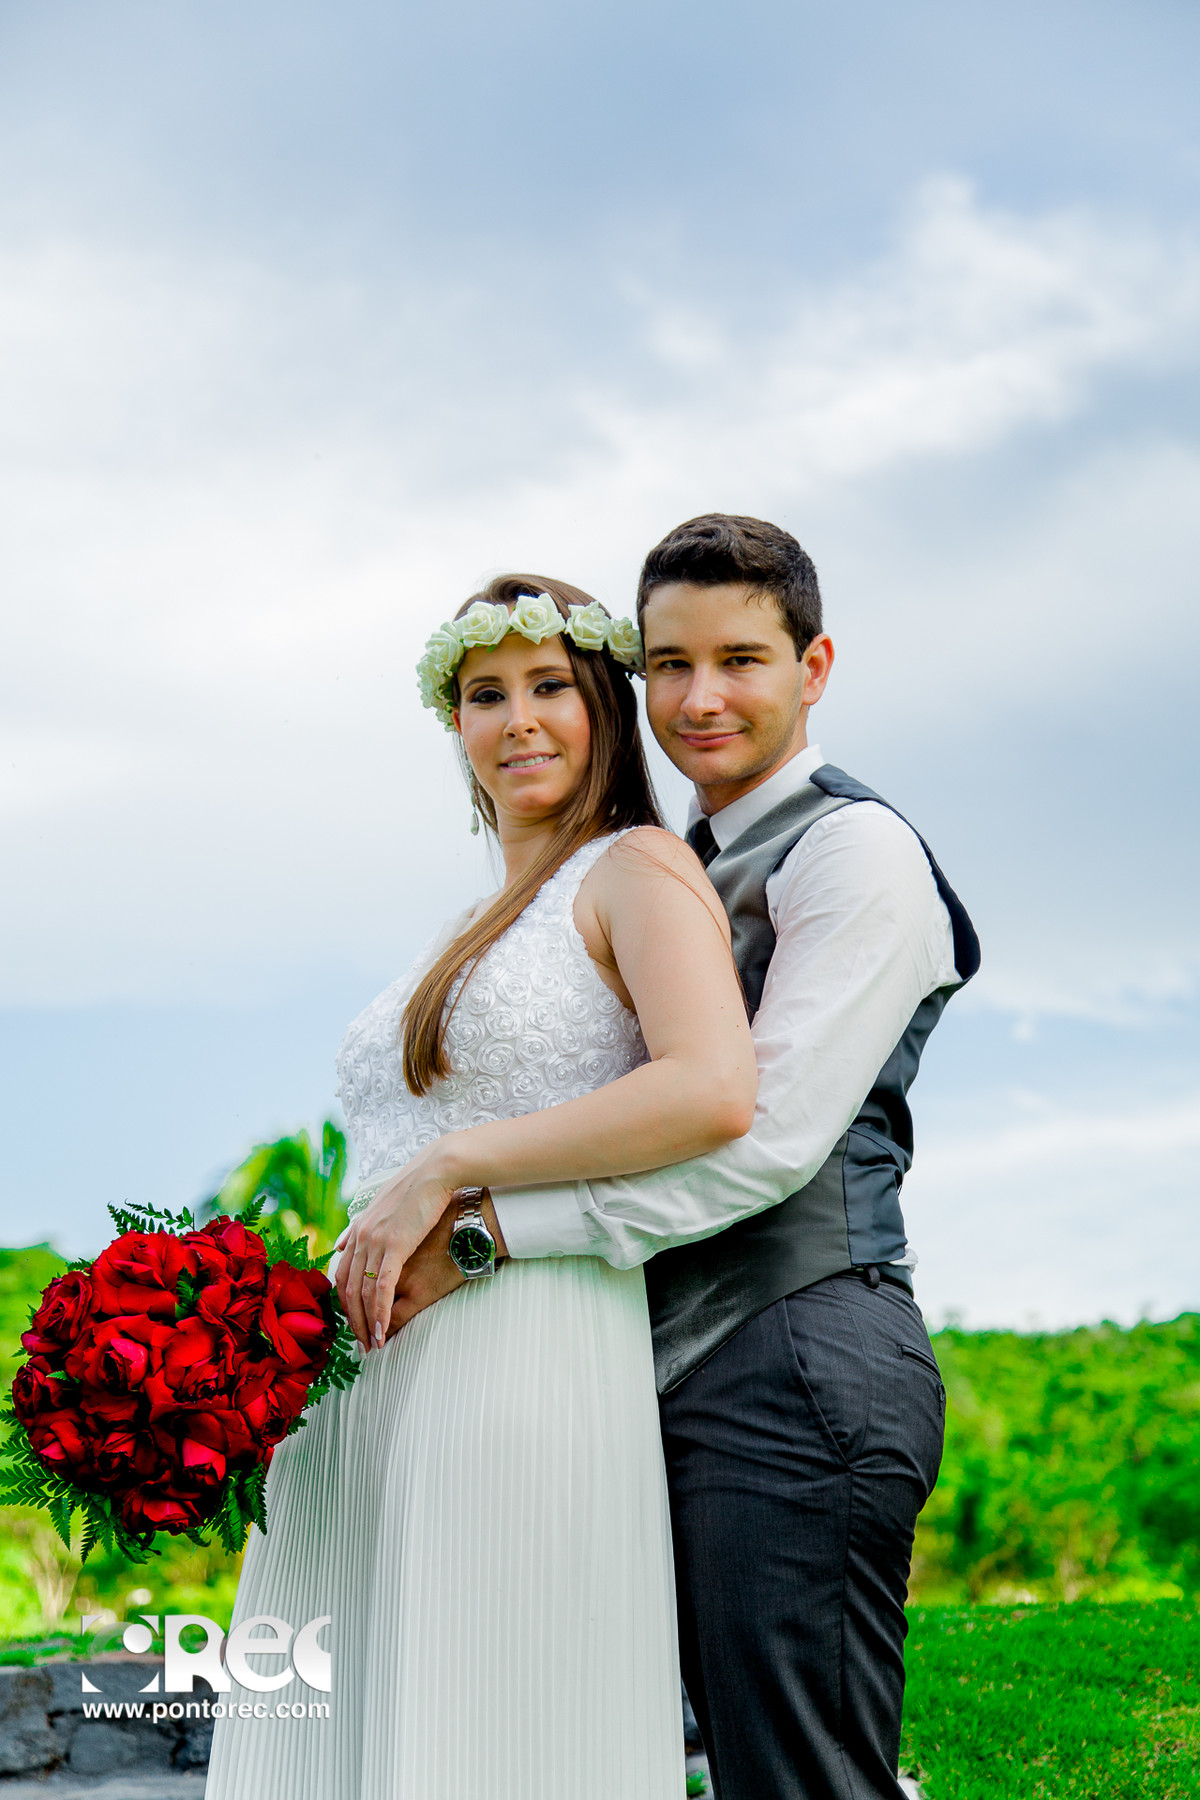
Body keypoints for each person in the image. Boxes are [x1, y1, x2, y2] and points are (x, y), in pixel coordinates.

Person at [392, 517, 981, 1800]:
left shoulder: (855, 851)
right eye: (669, 665)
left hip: (799, 1358)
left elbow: (764, 1141)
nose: (700, 698)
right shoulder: (662, 865)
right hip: (658, 1373)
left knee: (800, 1778)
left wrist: (487, 1233)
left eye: (741, 661)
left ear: (813, 667)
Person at [203, 574, 757, 1800]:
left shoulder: (638, 869)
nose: (520, 721)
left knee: (487, 1719)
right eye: (485, 695)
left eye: (550, 686)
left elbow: (713, 1088)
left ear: (603, 702)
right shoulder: (468, 921)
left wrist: (454, 1167)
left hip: (521, 1350)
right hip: (364, 1384)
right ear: (453, 723)